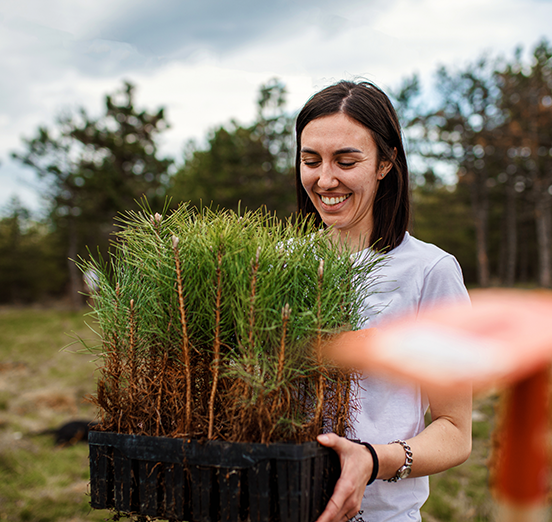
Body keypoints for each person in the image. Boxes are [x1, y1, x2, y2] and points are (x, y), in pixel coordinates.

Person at [295, 80, 472, 522]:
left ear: (385, 164)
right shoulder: (276, 265)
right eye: (310, 160)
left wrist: (372, 461)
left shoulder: (429, 272)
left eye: (346, 160)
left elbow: (455, 431)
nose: (325, 179)